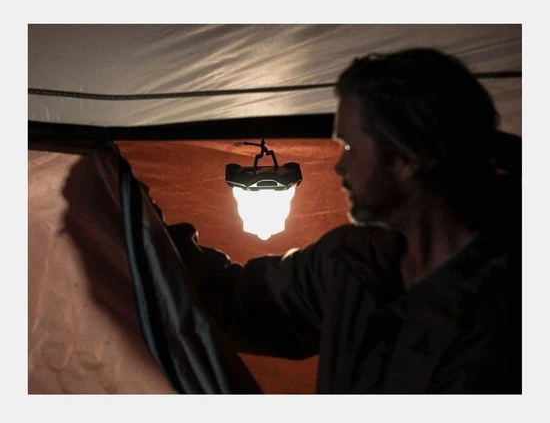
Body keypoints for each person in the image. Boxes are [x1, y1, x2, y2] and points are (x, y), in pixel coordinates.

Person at [170, 48, 521, 393]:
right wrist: (147, 226)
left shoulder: (507, 309)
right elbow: (233, 301)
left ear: (405, 159)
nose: (340, 166)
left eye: (350, 147)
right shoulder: (352, 262)